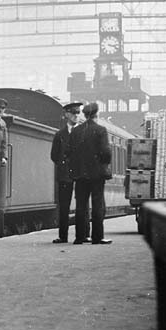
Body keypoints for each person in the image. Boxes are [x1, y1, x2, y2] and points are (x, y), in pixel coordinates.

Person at [68, 102, 113, 245]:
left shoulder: (76, 131)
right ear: (96, 115)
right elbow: (106, 152)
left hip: (80, 174)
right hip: (97, 174)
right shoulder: (101, 130)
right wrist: (102, 163)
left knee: (81, 205)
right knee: (97, 204)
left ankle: (80, 237)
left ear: (85, 115)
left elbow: (69, 152)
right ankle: (97, 237)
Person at [50, 102, 82, 243]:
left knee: (82, 206)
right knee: (64, 206)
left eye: (78, 113)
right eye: (73, 113)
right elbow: (54, 155)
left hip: (81, 174)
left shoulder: (83, 132)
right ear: (67, 114)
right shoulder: (59, 135)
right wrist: (63, 165)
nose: (76, 116)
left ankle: (82, 235)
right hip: (65, 175)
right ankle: (63, 236)